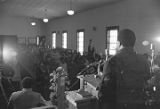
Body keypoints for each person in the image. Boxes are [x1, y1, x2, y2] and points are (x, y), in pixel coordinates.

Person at [98, 29, 150, 109]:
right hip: (139, 104)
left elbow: (105, 92)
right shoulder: (144, 60)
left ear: (119, 43)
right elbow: (147, 80)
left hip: (120, 105)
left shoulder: (113, 61)